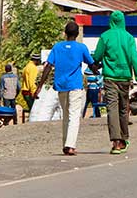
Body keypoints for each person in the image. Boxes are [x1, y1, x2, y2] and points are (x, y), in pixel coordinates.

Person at [35, 21, 94, 156]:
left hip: (61, 86)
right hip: (75, 86)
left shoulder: (57, 47)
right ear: (77, 34)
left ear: (65, 33)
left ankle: (65, 144)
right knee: (74, 115)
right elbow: (92, 64)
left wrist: (39, 86)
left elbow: (48, 67)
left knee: (66, 115)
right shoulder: (81, 48)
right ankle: (70, 145)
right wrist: (99, 70)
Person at [92, 11, 137, 154]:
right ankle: (124, 139)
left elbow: (97, 56)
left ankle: (116, 142)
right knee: (123, 109)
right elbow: (135, 59)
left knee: (112, 109)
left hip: (110, 78)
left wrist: (95, 63)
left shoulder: (105, 36)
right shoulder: (129, 38)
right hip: (125, 79)